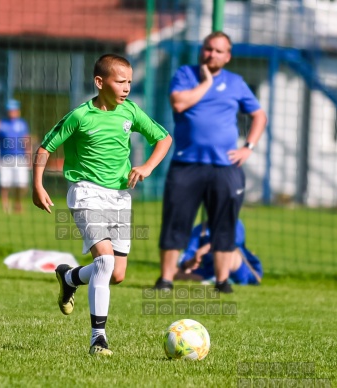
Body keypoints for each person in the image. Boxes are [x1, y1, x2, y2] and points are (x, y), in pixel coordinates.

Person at [33, 54, 172, 356]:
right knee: (105, 261)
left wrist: (147, 167)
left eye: (130, 82)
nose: (126, 88)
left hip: (120, 198)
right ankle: (98, 338)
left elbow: (164, 138)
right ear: (100, 82)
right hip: (85, 193)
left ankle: (69, 277)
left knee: (116, 274)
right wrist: (37, 184)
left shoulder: (131, 112)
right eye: (120, 81)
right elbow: (46, 147)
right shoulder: (80, 116)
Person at [154, 31, 267, 294]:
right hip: (186, 164)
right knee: (175, 222)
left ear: (227, 57)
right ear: (201, 50)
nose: (211, 54)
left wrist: (248, 147)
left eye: (218, 51)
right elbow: (179, 104)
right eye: (208, 49)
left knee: (224, 225)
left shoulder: (236, 82)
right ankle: (165, 280)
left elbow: (259, 116)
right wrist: (206, 82)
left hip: (226, 167)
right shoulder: (185, 74)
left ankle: (222, 281)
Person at [175, 220, 263, 285]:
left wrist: (207, 247)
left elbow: (232, 242)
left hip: (241, 269)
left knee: (228, 251)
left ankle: (221, 279)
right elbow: (187, 255)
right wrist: (192, 261)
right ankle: (215, 279)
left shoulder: (235, 223)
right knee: (175, 272)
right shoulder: (200, 229)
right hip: (211, 270)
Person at [0, 99, 31, 214]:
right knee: (4, 184)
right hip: (5, 158)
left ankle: (17, 203)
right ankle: (5, 206)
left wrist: (29, 156)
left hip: (19, 157)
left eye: (13, 110)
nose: (11, 112)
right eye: (9, 110)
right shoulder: (1, 124)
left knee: (21, 184)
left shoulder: (22, 124)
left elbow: (26, 141)